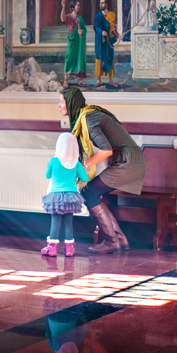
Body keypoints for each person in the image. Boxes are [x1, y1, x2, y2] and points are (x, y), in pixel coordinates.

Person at [58, 87, 145, 254]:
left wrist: (84, 165)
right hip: (128, 160)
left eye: (61, 102)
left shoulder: (88, 118)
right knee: (91, 192)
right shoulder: (88, 115)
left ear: (70, 103)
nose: (58, 105)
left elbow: (106, 150)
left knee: (88, 193)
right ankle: (120, 239)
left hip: (127, 162)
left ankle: (112, 241)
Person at [41, 132, 88, 257]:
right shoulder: (76, 163)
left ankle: (52, 249)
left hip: (55, 196)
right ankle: (69, 250)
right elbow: (85, 178)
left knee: (55, 222)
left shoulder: (53, 161)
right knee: (69, 222)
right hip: (71, 196)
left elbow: (47, 176)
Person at [60, 0, 88, 88]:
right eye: (78, 5)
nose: (79, 7)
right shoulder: (70, 16)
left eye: (79, 5)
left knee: (79, 58)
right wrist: (63, 6)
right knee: (69, 58)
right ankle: (66, 79)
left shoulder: (80, 18)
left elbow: (84, 29)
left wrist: (82, 31)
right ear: (73, 6)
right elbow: (63, 19)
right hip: (72, 41)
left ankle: (81, 80)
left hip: (79, 42)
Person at [93, 0, 119, 88]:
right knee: (99, 59)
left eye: (102, 3)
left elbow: (113, 28)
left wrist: (117, 35)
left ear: (106, 4)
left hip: (108, 41)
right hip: (100, 41)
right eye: (100, 3)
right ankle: (99, 80)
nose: (101, 4)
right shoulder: (97, 16)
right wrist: (101, 32)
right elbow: (96, 27)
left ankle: (110, 80)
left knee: (109, 58)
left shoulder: (112, 15)